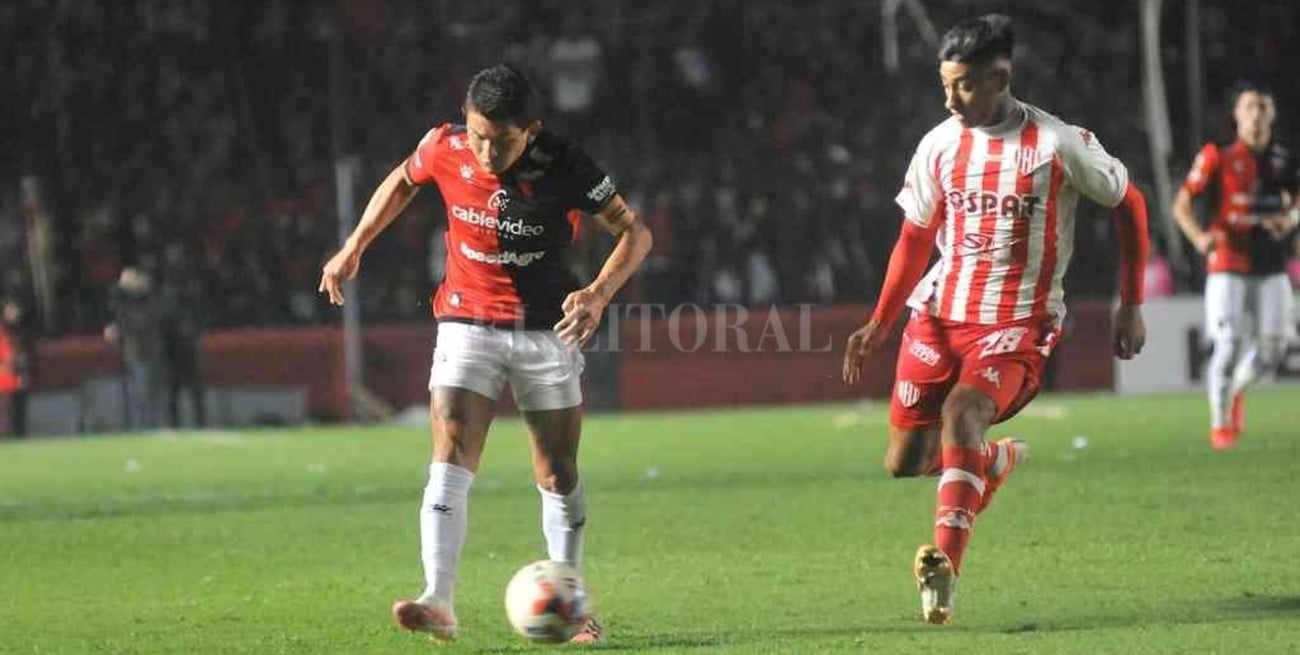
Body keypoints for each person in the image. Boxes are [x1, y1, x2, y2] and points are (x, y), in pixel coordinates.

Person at [318, 64, 652, 643]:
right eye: (478, 135)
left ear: (533, 130)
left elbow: (635, 233)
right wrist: (353, 247)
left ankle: (570, 601)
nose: (486, 150)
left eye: (502, 140)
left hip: (546, 330)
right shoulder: (443, 146)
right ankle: (438, 599)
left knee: (557, 470)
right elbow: (401, 180)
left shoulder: (567, 165)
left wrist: (597, 294)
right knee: (449, 446)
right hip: (466, 320)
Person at [841, 15, 1149, 624]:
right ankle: (991, 461)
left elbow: (1130, 203)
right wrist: (879, 321)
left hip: (1017, 323)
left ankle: (944, 571)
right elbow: (914, 236)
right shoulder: (940, 143)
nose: (949, 99)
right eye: (944, 85)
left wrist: (1131, 301)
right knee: (903, 460)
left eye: (961, 86)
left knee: (963, 413)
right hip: (936, 314)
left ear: (1000, 78)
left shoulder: (1057, 144)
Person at [1172, 83, 1298, 450]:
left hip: (1272, 264)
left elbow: (1295, 207)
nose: (1256, 114)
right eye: (1249, 108)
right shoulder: (1216, 157)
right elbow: (1182, 204)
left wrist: (1288, 222)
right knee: (1227, 344)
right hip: (1228, 261)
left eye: (1262, 108)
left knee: (1274, 350)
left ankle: (1238, 391)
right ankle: (1220, 425)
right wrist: (1198, 237)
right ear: (1237, 117)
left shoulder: (1285, 161)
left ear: (1271, 116)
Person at [105, 267, 165, 431]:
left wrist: (120, 327)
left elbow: (145, 320)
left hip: (149, 350)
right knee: (140, 394)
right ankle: (144, 427)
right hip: (136, 352)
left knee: (152, 392)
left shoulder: (148, 300)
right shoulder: (123, 303)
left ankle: (154, 425)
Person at [0, 298, 37, 437]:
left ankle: (19, 438)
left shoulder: (25, 333)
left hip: (20, 378)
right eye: (10, 310)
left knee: (19, 413)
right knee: (5, 414)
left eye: (15, 310)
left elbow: (30, 356)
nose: (13, 313)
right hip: (4, 381)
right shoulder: (3, 333)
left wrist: (26, 373)